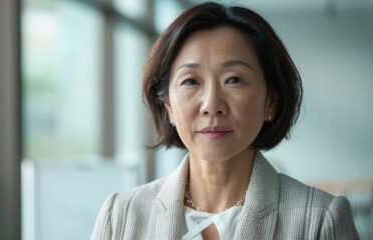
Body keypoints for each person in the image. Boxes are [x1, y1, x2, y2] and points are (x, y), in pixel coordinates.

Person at [91, 2, 359, 239]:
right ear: (169, 106)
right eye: (191, 81)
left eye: (234, 79)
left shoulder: (320, 219)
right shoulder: (121, 217)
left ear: (271, 102)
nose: (211, 105)